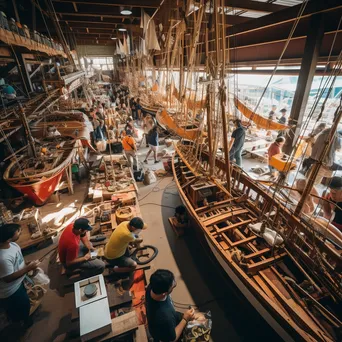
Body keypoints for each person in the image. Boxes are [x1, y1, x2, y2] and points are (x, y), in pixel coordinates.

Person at [0, 223, 40, 325]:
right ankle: (23, 323)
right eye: (17, 232)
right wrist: (28, 268)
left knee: (23, 303)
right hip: (11, 290)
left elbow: (17, 260)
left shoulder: (13, 245)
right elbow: (7, 278)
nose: (20, 232)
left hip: (19, 282)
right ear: (8, 239)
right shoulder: (3, 258)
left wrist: (26, 264)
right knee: (20, 307)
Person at [145, 269, 195, 342]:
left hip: (163, 323)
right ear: (164, 293)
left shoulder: (151, 287)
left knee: (195, 317)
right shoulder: (164, 317)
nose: (175, 283)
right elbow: (173, 339)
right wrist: (185, 319)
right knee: (200, 319)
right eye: (172, 285)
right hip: (165, 333)